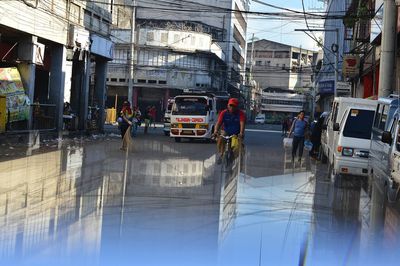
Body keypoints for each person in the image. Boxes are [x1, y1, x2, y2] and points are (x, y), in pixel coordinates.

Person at [212, 98, 246, 164]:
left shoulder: (241, 113)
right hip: (226, 132)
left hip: (236, 134)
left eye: (234, 106)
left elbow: (242, 123)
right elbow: (218, 123)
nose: (232, 108)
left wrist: (241, 133)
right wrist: (215, 131)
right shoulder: (223, 113)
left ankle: (234, 161)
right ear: (228, 105)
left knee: (237, 149)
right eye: (230, 105)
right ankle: (221, 155)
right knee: (220, 139)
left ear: (237, 107)